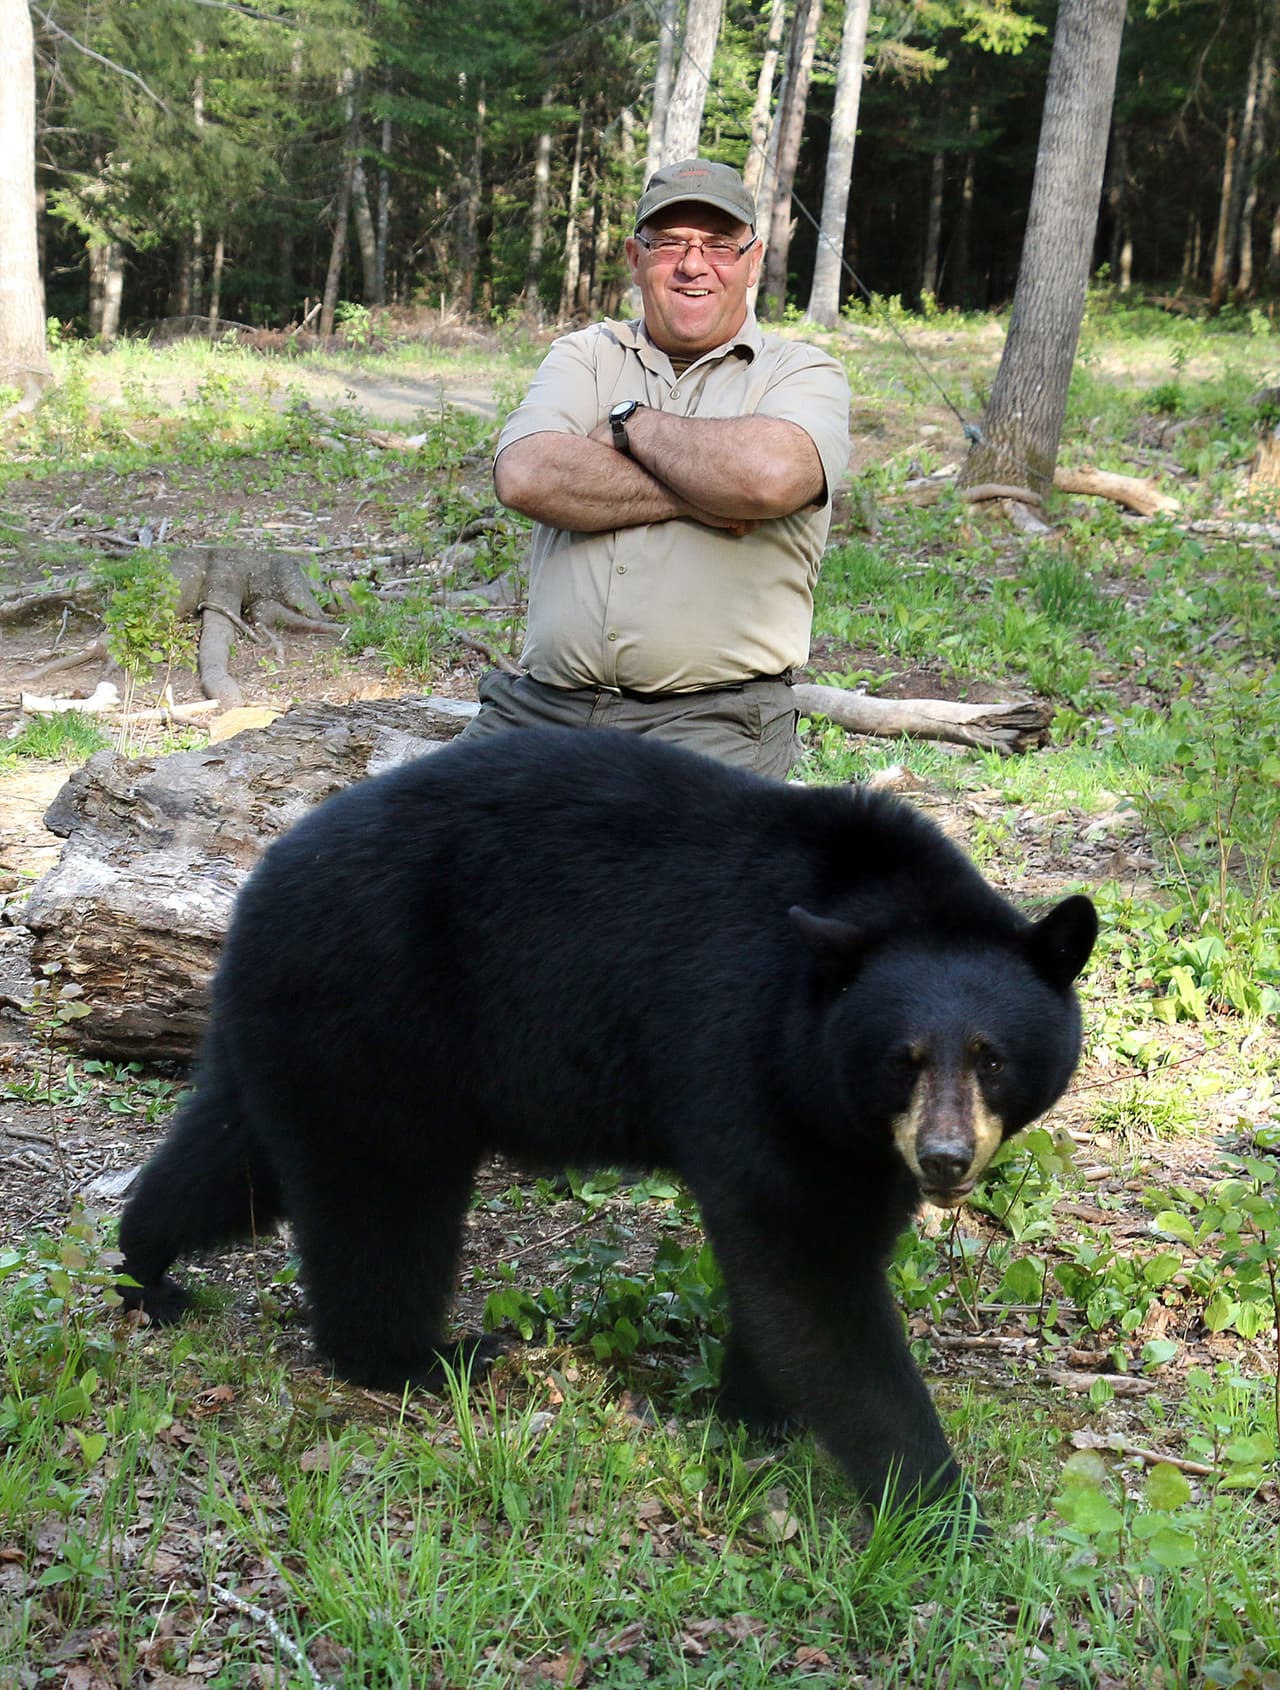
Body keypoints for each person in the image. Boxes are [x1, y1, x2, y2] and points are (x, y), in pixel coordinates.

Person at [460, 157, 851, 778]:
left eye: (719, 245)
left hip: (715, 721)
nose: (693, 264)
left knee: (661, 872)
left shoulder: (800, 372)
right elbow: (526, 476)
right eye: (669, 243)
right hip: (538, 710)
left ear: (752, 263)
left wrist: (627, 423)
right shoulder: (585, 355)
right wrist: (707, 495)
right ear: (635, 258)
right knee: (421, 856)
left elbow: (771, 477)